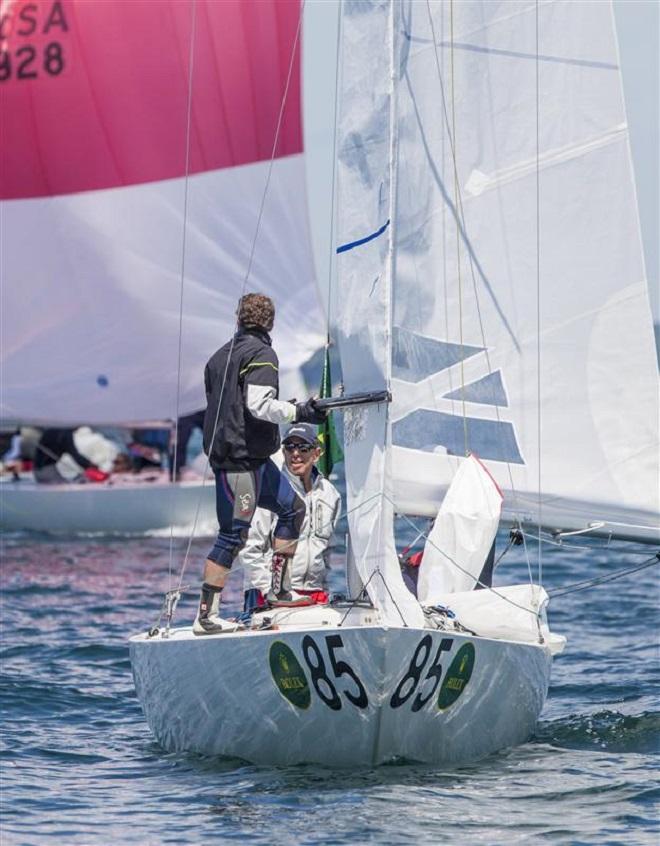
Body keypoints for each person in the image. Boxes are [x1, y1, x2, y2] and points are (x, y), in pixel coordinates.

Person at [194, 292, 327, 635]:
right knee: (232, 536)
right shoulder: (262, 355)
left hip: (252, 460)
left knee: (292, 508)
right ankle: (206, 616)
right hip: (237, 463)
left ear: (238, 318)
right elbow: (259, 405)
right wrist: (300, 411)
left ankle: (279, 589)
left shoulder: (217, 357)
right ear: (270, 322)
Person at [240, 423, 341, 613]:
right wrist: (269, 589)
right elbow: (249, 547)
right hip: (269, 593)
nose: (295, 454)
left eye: (303, 448)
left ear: (316, 453)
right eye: (289, 447)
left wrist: (325, 590)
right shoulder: (271, 489)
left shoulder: (331, 494)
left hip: (314, 593)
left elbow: (326, 550)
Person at [33, 427, 109, 484]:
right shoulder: (65, 433)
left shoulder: (52, 429)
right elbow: (75, 455)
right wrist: (90, 465)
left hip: (37, 471)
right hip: (48, 472)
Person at [168, 410, 205, 480]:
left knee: (215, 437)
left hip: (201, 406)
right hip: (187, 408)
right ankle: (175, 473)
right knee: (179, 442)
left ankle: (175, 472)